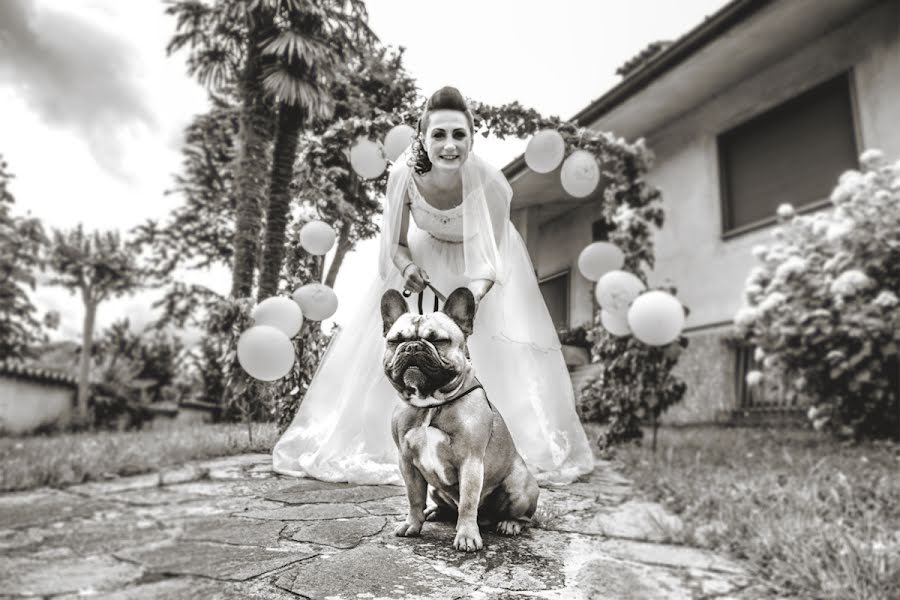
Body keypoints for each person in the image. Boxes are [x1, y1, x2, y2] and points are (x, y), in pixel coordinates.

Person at [273, 86, 594, 485]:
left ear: (472, 138)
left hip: (477, 272)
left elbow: (492, 263)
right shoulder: (403, 175)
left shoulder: (490, 182)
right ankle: (398, 443)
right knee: (399, 349)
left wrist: (463, 306)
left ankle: (488, 450)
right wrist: (407, 268)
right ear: (422, 137)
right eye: (439, 134)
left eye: (459, 135)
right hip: (422, 259)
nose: (449, 145)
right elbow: (396, 243)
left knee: (483, 358)